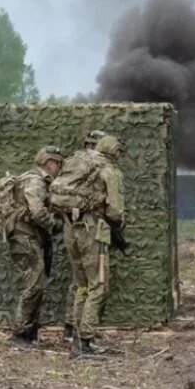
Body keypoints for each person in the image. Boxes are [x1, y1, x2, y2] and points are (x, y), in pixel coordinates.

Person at [55, 134, 125, 359]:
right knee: (99, 286)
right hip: (93, 231)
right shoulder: (109, 171)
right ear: (114, 150)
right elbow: (115, 211)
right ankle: (84, 343)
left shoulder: (78, 163)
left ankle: (77, 338)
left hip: (71, 229)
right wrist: (117, 224)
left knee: (82, 285)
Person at [8, 145, 65, 349]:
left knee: (37, 281)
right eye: (57, 163)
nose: (58, 167)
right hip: (24, 237)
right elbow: (37, 212)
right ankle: (20, 332)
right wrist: (55, 225)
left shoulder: (39, 181)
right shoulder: (35, 181)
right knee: (34, 281)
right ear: (50, 163)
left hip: (30, 236)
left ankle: (29, 329)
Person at [60, 129, 106, 341]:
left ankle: (72, 328)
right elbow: (112, 208)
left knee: (79, 283)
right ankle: (84, 337)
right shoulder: (98, 166)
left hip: (70, 227)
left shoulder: (70, 163)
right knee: (95, 284)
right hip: (89, 229)